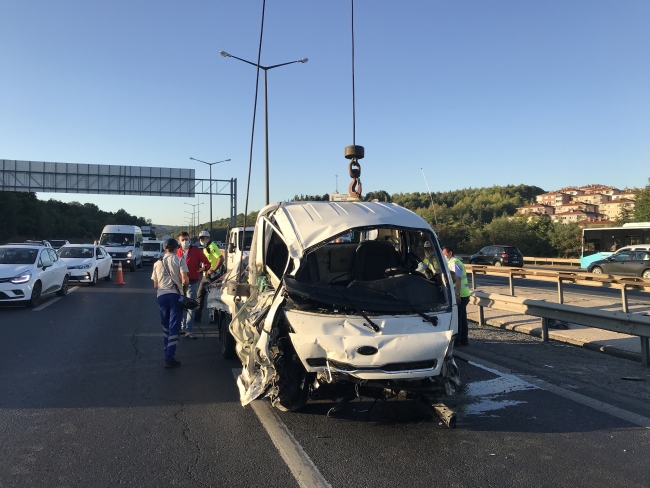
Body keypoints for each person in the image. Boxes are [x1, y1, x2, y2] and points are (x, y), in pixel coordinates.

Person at [152, 238, 189, 368]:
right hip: (175, 296)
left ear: (164, 249)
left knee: (166, 325)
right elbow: (185, 281)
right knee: (174, 326)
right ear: (176, 248)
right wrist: (183, 289)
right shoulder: (179, 260)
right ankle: (169, 357)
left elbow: (155, 285)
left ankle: (166, 350)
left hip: (161, 296)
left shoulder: (157, 263)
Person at [176, 231, 210, 339]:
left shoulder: (196, 251)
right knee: (180, 305)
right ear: (179, 241)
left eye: (187, 239)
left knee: (190, 306)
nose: (185, 242)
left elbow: (207, 262)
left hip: (192, 281)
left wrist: (204, 268)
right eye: (183, 240)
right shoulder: (177, 252)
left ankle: (188, 330)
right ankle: (181, 327)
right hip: (180, 283)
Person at [193, 230, 224, 323]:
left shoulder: (212, 246)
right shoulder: (206, 247)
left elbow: (221, 258)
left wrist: (213, 269)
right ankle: (198, 317)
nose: (202, 240)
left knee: (212, 297)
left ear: (208, 238)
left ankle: (215, 318)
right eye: (200, 238)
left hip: (212, 276)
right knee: (201, 296)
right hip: (206, 275)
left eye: (203, 238)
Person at [442, 246, 470, 346]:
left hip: (460, 295)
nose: (444, 256)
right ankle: (464, 340)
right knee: (462, 318)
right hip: (463, 294)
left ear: (450, 253)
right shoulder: (453, 261)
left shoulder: (454, 262)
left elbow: (458, 279)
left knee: (458, 318)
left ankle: (458, 340)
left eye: (445, 254)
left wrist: (457, 294)